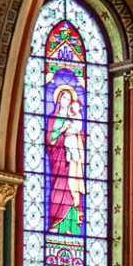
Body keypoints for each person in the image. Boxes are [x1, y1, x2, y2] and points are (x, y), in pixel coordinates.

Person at [46, 85, 86, 235]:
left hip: (72, 163)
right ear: (58, 99)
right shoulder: (53, 119)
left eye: (69, 98)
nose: (67, 100)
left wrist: (77, 135)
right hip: (58, 160)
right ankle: (55, 224)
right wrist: (62, 130)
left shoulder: (72, 118)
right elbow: (49, 140)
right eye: (64, 97)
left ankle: (70, 227)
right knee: (58, 189)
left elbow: (80, 134)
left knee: (71, 190)